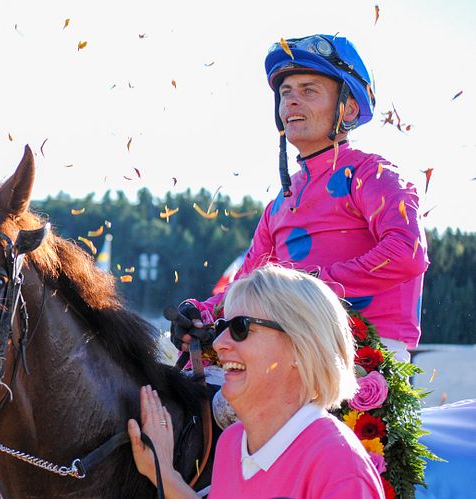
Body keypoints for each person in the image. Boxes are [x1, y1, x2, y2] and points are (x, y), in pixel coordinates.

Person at [172, 34, 428, 363]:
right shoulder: (280, 203)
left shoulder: (375, 174)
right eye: (285, 93)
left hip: (364, 357)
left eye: (309, 90)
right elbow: (245, 284)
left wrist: (307, 289)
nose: (292, 101)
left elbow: (407, 253)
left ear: (348, 108)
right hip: (290, 353)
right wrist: (199, 313)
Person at [130, 265, 385, 498]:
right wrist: (162, 472)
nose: (218, 344)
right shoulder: (233, 443)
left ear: (300, 346)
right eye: (221, 327)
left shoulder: (340, 468)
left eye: (241, 328)